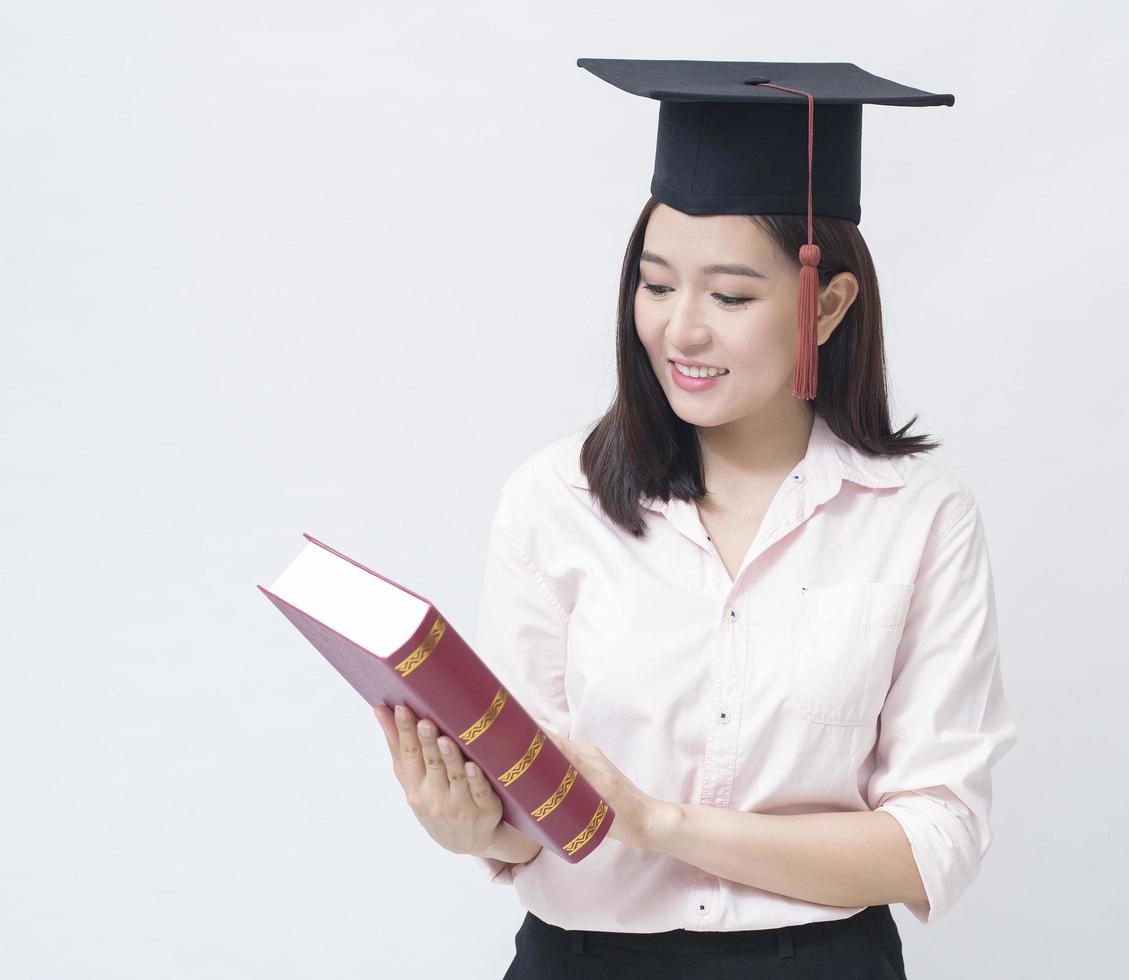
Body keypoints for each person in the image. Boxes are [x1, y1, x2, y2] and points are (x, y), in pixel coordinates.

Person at [370, 57, 1019, 978]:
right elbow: (534, 815)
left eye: (732, 296)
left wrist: (663, 825)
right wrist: (472, 823)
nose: (681, 330)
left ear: (826, 304)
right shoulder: (556, 502)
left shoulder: (918, 520)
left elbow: (932, 838)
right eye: (656, 283)